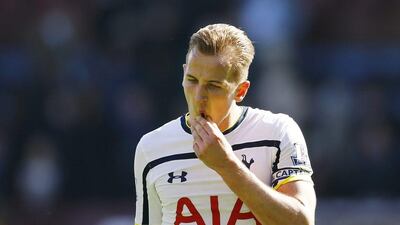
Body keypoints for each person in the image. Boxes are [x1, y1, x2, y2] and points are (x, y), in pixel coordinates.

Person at [134, 23, 316, 225]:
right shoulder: (152, 148)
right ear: (184, 73)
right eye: (192, 79)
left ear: (241, 91)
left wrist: (227, 165)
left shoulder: (277, 133)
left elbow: (302, 222)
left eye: (213, 86)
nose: (199, 96)